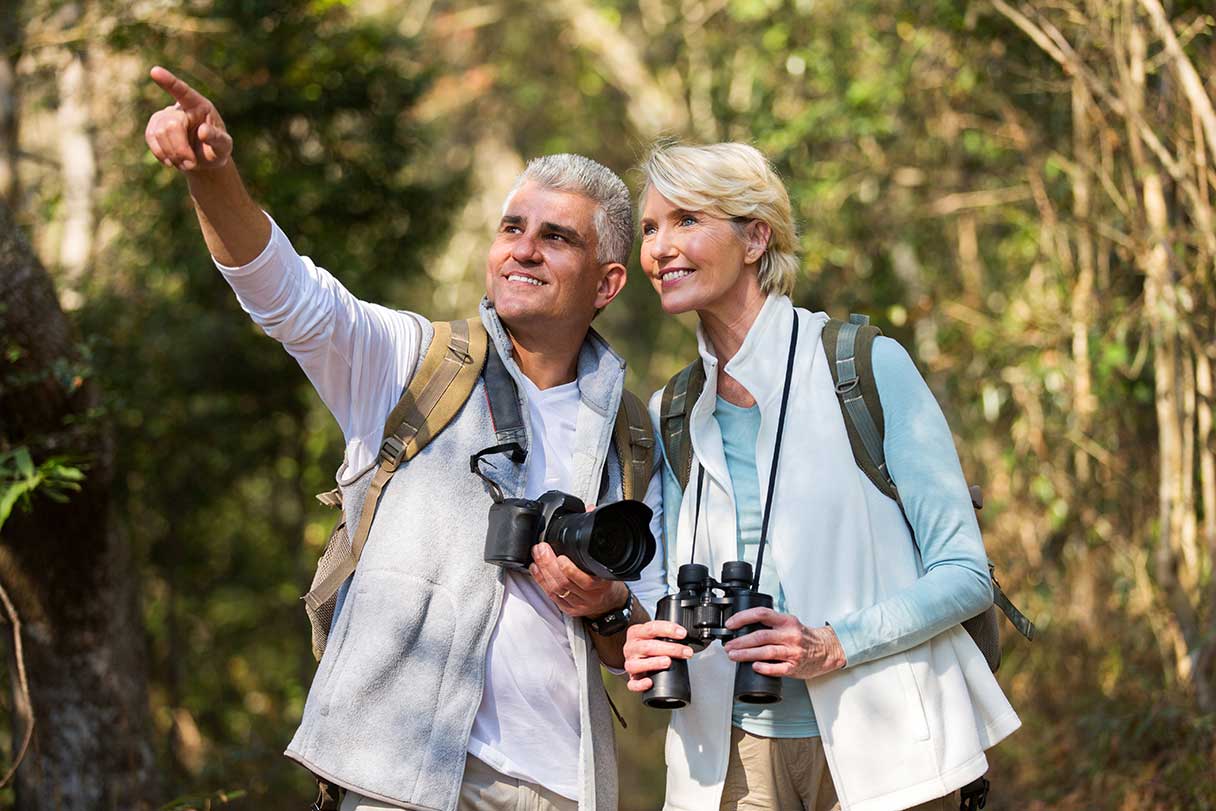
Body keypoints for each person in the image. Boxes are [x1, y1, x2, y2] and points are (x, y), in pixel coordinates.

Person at [143, 66, 667, 811]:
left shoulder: (632, 436)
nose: (522, 249)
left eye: (556, 238)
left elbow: (633, 645)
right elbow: (282, 291)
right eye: (512, 228)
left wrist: (606, 600)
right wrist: (213, 175)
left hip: (557, 786)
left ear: (607, 283)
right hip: (395, 775)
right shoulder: (412, 361)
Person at [622, 142, 1021, 811]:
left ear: (755, 237)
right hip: (730, 754)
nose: (660, 246)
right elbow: (659, 578)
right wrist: (643, 630)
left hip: (885, 743)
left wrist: (834, 643)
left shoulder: (864, 368)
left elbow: (964, 571)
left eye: (687, 219)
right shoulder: (673, 409)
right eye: (649, 228)